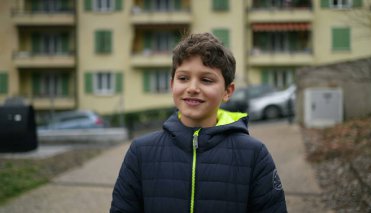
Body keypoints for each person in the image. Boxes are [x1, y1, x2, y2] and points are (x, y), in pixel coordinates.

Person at [110, 32, 287, 213]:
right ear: (172, 85)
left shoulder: (254, 155)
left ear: (228, 91)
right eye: (183, 78)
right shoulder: (140, 152)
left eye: (206, 80)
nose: (192, 88)